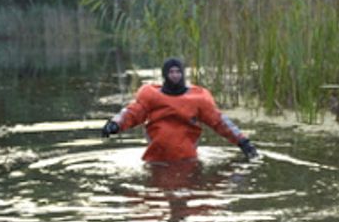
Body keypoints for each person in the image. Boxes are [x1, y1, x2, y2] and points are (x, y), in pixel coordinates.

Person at [102, 58, 258, 163]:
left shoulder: (198, 99)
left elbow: (219, 121)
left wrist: (243, 142)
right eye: (171, 72)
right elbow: (132, 112)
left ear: (183, 74)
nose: (175, 75)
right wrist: (115, 124)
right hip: (156, 158)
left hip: (186, 158)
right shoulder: (151, 96)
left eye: (178, 72)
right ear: (165, 75)